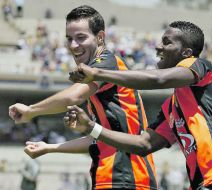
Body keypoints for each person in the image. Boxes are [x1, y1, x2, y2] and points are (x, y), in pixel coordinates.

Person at [62, 21, 212, 190]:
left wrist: (97, 73)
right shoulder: (172, 107)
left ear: (186, 53)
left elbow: (159, 80)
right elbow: (143, 144)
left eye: (167, 42)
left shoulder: (202, 68)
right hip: (204, 184)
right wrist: (91, 127)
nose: (158, 47)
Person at [9, 5, 157, 190]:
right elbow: (98, 139)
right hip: (114, 177)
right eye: (69, 39)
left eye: (81, 38)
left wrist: (31, 111)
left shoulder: (107, 64)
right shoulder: (99, 87)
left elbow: (73, 97)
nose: (73, 46)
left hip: (127, 177)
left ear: (100, 37)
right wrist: (50, 148)